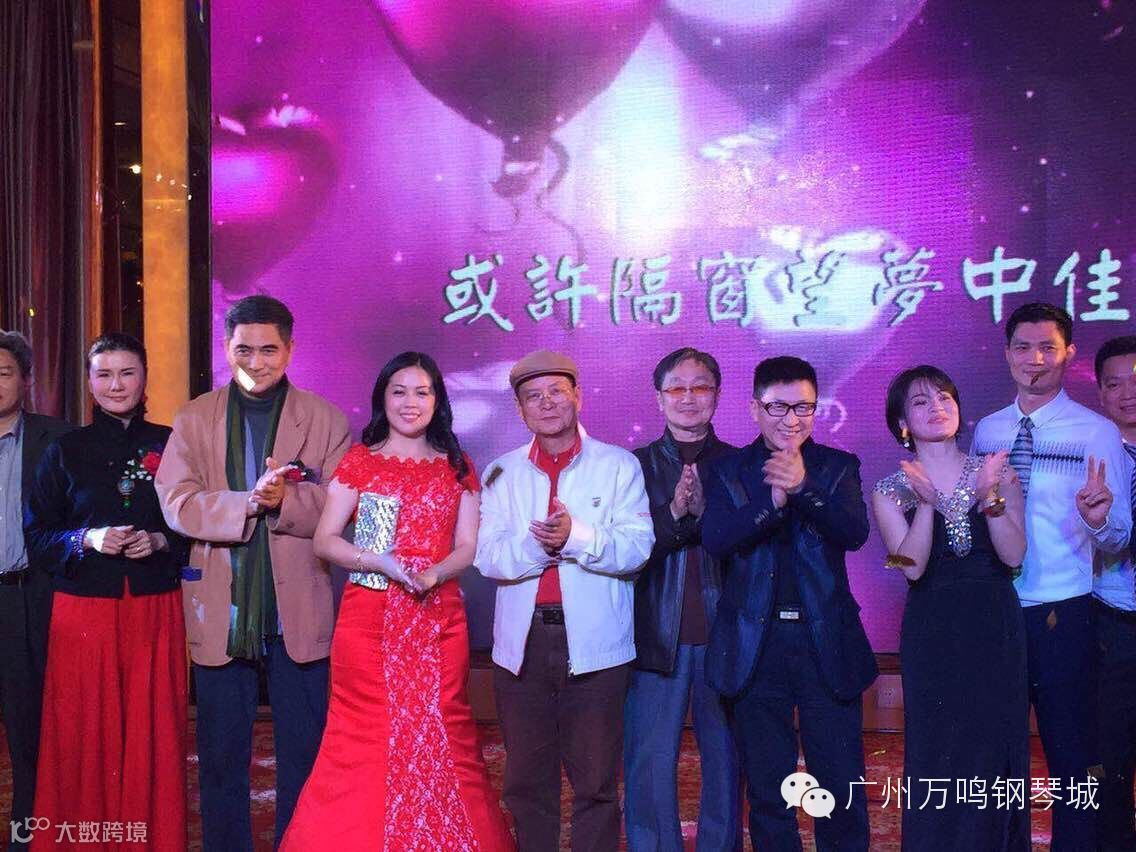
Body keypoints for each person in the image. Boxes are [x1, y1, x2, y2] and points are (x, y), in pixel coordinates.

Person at [280, 351, 514, 850]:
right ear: (382, 399)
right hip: (369, 623)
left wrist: (434, 573)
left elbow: (467, 546)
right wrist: (378, 562)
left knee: (440, 732)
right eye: (399, 391)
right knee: (366, 737)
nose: (411, 402)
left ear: (437, 400)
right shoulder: (361, 461)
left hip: (438, 620)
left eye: (422, 392)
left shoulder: (457, 465)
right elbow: (325, 540)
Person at [154, 295, 351, 850]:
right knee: (220, 756)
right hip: (222, 605)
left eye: (268, 350)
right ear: (226, 348)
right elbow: (175, 502)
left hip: (299, 608)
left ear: (289, 350)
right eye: (244, 350)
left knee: (303, 754)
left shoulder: (326, 419)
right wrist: (246, 502)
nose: (256, 362)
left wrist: (286, 500)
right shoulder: (195, 417)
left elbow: (342, 508)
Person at [475, 350, 654, 852]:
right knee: (526, 781)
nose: (547, 402)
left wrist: (576, 536)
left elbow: (637, 549)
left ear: (578, 396)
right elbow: (488, 558)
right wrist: (542, 546)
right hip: (522, 644)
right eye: (534, 396)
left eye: (557, 391)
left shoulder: (618, 465)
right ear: (519, 410)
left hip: (596, 645)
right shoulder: (501, 473)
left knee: (596, 781)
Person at [701, 355, 877, 852]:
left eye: (803, 407)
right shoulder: (728, 470)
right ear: (755, 408)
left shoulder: (838, 467)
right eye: (778, 407)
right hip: (755, 644)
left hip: (826, 641)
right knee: (769, 789)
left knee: (839, 783)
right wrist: (772, 503)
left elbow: (854, 533)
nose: (791, 419)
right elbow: (717, 539)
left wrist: (803, 489)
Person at [973, 303, 1131, 850]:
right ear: (1007, 354)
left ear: (1069, 355)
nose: (1034, 359)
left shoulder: (1097, 432)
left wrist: (1098, 519)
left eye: (1047, 348)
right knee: (999, 758)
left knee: (1072, 757)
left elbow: (1118, 537)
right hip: (997, 610)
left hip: (1065, 611)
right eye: (1023, 347)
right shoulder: (988, 430)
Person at [24, 333, 187, 851]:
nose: (116, 385)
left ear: (145, 379)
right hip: (83, 611)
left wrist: (161, 540)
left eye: (127, 373)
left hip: (154, 606)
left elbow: (195, 525)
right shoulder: (64, 450)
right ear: (90, 383)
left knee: (153, 731)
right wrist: (88, 538)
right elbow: (38, 537)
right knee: (82, 732)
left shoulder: (173, 443)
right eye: (105, 374)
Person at [872, 365, 1029, 851]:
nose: (937, 408)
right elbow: (911, 567)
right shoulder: (888, 490)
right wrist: (926, 504)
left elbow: (1014, 555)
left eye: (944, 397)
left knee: (995, 748)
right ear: (903, 423)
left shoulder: (996, 471)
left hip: (994, 623)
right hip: (932, 630)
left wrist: (990, 497)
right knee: (937, 751)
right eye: (921, 402)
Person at [625, 347, 741, 852]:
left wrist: (707, 513)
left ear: (717, 395)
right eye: (677, 387)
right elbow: (625, 549)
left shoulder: (741, 464)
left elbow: (747, 544)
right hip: (654, 634)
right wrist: (673, 513)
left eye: (700, 387)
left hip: (727, 634)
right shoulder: (632, 467)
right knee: (649, 763)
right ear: (659, 398)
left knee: (726, 762)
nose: (688, 397)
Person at [0, 332, 71, 851]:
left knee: (31, 734)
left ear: (26, 380)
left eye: (3, 373)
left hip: (27, 600)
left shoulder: (57, 440)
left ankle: (28, 840)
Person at [1091, 335, 1136, 851]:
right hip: (1113, 619)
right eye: (1115, 383)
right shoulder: (1091, 453)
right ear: (1101, 392)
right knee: (1112, 755)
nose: (1128, 393)